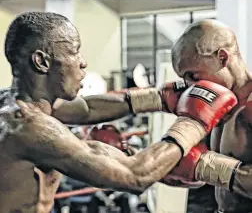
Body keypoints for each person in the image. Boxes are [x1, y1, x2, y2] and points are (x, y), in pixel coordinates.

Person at [0, 11, 237, 213]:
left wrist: (160, 98)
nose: (83, 62)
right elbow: (135, 176)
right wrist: (194, 120)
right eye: (74, 51)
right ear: (41, 62)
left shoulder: (16, 103)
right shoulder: (30, 126)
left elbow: (86, 109)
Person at [159, 19, 252, 212]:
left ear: (222, 58)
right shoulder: (217, 106)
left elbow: (216, 168)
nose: (190, 86)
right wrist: (184, 173)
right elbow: (223, 178)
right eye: (184, 78)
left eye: (193, 75)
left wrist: (209, 168)